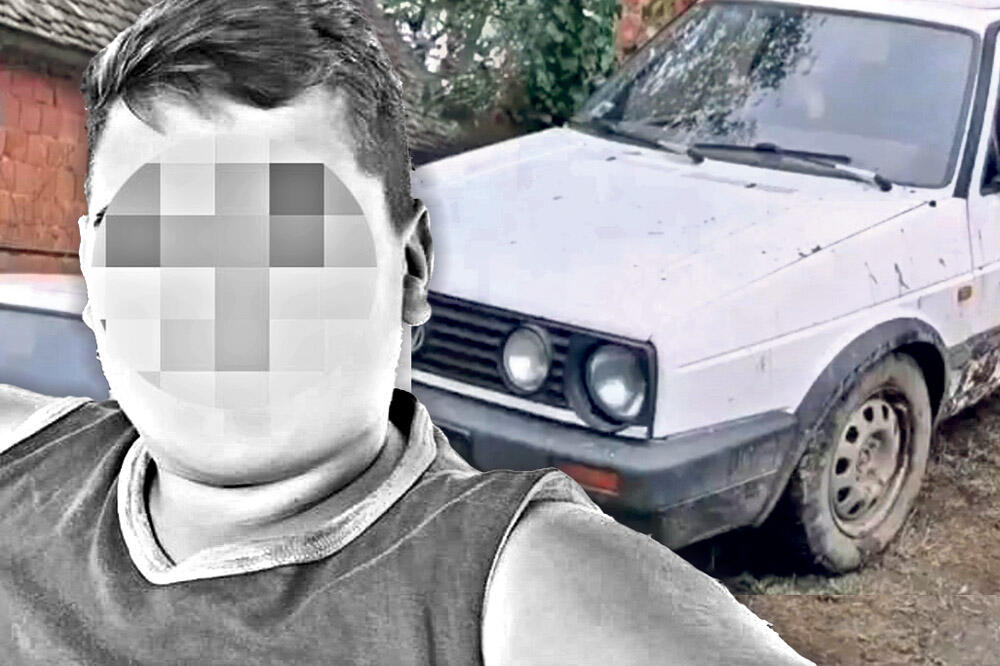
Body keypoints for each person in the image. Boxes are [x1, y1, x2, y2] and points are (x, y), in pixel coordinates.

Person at [0, 1, 813, 664]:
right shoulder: (23, 453)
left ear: (410, 270)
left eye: (292, 234)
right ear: (95, 271)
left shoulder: (512, 585)